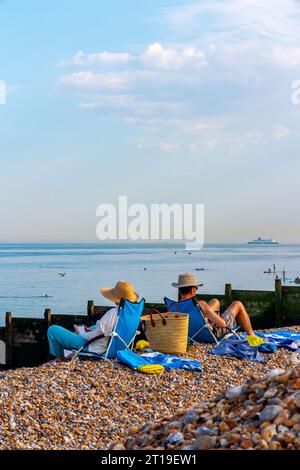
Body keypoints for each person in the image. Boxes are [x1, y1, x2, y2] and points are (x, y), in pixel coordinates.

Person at [47, 281, 139, 362]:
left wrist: (81, 333)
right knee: (93, 328)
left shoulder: (114, 313)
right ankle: (79, 335)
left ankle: (61, 358)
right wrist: (89, 331)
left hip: (96, 347)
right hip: (116, 347)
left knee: (53, 330)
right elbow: (105, 331)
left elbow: (97, 335)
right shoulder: (131, 314)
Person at [171, 273, 255, 338]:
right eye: (196, 288)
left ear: (179, 290)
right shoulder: (201, 304)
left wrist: (207, 316)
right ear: (193, 290)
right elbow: (223, 324)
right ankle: (252, 336)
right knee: (237, 304)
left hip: (192, 335)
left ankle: (209, 318)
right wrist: (216, 320)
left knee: (215, 301)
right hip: (212, 334)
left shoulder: (174, 306)